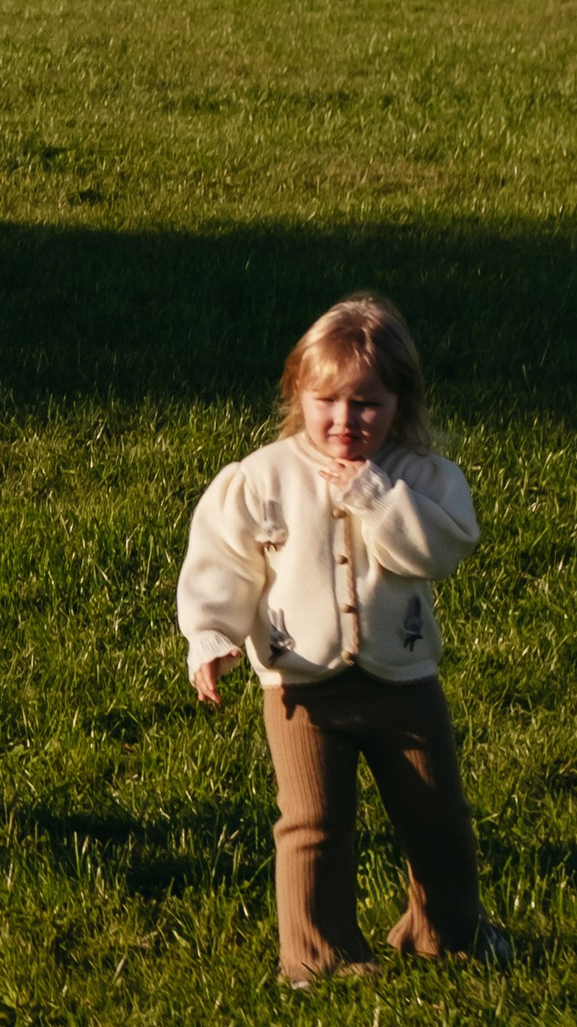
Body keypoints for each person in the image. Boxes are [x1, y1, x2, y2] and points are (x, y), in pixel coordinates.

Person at [176, 291, 500, 986]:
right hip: (302, 689)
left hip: (405, 682)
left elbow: (439, 551)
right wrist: (209, 635)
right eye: (328, 401)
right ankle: (317, 957)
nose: (345, 420)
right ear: (300, 392)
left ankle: (445, 931)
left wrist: (377, 496)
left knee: (436, 813)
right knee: (314, 822)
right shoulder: (261, 478)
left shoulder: (421, 478)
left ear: (400, 404)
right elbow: (220, 565)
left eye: (368, 404)